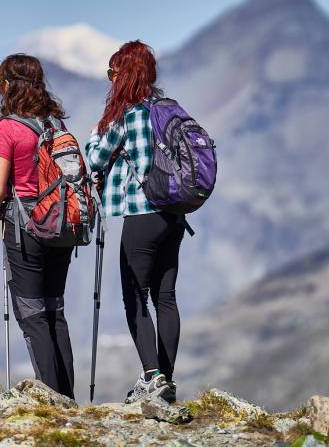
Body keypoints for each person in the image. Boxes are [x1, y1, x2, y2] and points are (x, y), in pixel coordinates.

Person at [85, 40, 185, 404]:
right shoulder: (169, 110)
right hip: (174, 215)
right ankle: (167, 381)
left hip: (142, 214)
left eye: (113, 72)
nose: (110, 79)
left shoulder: (125, 114)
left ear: (124, 75)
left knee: (135, 296)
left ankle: (151, 377)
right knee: (166, 297)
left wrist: (96, 133)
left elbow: (95, 159)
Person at [0, 54, 76, 398]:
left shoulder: (9, 127)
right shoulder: (55, 124)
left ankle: (53, 402)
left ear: (7, 85)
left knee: (33, 316)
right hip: (62, 228)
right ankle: (68, 397)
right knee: (55, 312)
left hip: (26, 231)